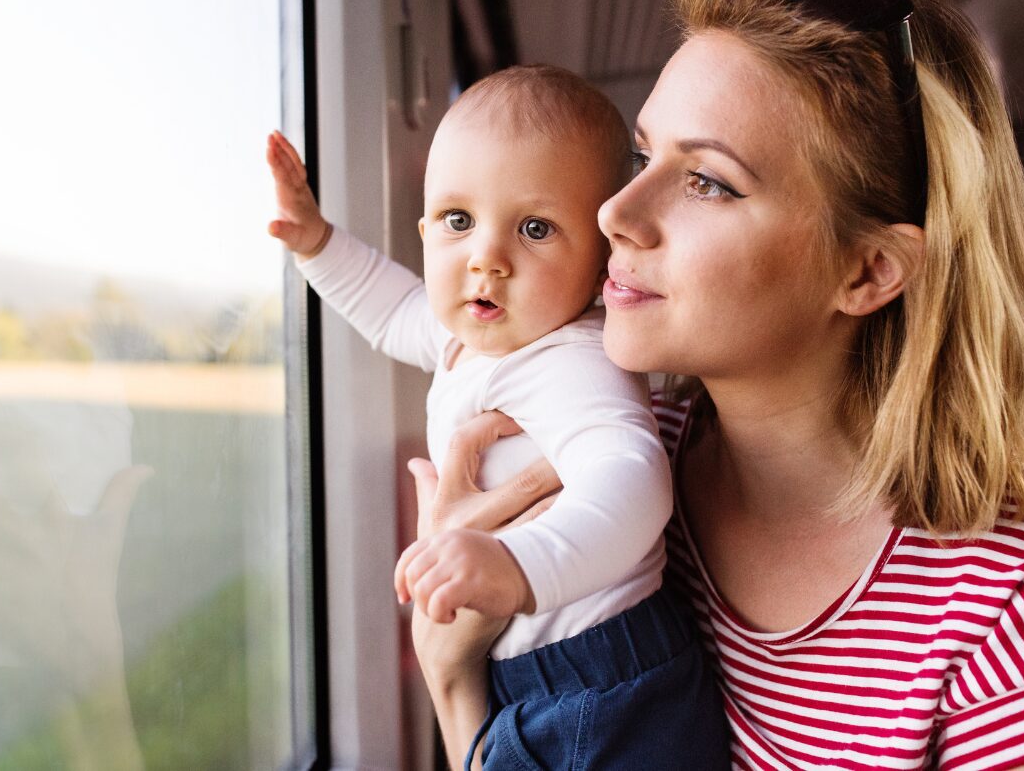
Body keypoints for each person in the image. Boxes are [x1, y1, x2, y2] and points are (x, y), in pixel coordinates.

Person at [408, 0, 1024, 770]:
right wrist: (452, 667)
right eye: (642, 155)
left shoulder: (1021, 581)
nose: (614, 213)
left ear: (868, 271)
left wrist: (452, 677)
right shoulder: (583, 468)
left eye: (707, 182)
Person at [265, 65, 728, 768]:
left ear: (604, 258)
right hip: (539, 676)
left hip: (602, 684)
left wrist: (517, 565)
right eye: (458, 221)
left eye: (535, 229)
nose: (487, 258)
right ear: (424, 229)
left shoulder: (572, 359)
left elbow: (634, 478)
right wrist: (316, 243)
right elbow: (391, 310)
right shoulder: (471, 336)